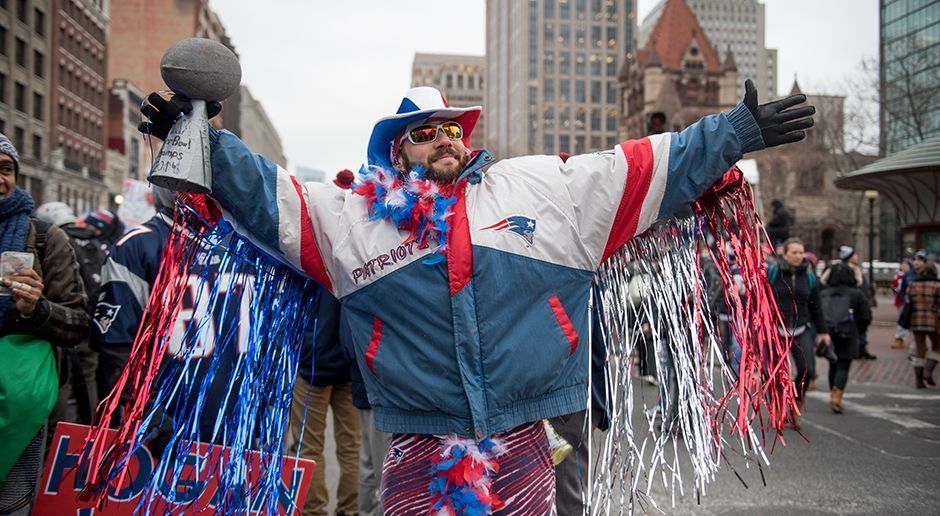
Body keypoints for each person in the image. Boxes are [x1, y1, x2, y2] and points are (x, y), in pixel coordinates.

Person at [139, 79, 814, 512]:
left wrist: (734, 131)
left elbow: (637, 169)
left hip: (525, 431)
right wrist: (200, 139)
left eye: (453, 130)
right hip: (416, 438)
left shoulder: (537, 189)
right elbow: (265, 193)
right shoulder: (351, 217)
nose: (444, 140)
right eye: (424, 133)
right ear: (396, 153)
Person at [0, 133, 89, 515]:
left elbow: (79, 324)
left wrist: (36, 309)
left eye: (6, 169)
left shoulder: (44, 239)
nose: (0, 178)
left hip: (20, 413)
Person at [35, 201, 108, 425]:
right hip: (96, 318)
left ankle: (57, 434)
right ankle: (87, 428)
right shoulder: (93, 240)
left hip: (69, 318)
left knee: (62, 377)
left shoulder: (58, 241)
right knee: (88, 374)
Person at [290, 289, 360, 516]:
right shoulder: (353, 253)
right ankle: (350, 509)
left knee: (307, 447)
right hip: (347, 362)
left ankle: (314, 511)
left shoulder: (306, 255)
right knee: (351, 446)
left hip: (312, 364)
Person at [768, 237, 829, 427]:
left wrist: (823, 332)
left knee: (807, 370)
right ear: (784, 254)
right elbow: (762, 300)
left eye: (801, 252)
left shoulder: (809, 277)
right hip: (776, 329)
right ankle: (778, 409)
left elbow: (816, 306)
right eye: (793, 252)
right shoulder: (773, 273)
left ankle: (795, 405)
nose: (798, 256)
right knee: (775, 373)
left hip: (801, 327)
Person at [820, 263, 871, 413]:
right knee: (843, 365)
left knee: (833, 364)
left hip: (828, 332)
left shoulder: (824, 293)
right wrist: (859, 329)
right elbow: (866, 316)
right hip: (849, 332)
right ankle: (837, 395)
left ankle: (833, 393)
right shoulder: (856, 294)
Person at [906, 258, 940, 389]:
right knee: (937, 346)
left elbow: (908, 301)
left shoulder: (914, 285)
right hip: (934, 321)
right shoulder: (937, 286)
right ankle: (928, 370)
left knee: (920, 349)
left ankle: (918, 380)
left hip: (916, 320)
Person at [892, 260, 913, 349]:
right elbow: (895, 287)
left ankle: (913, 341)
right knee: (901, 320)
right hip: (901, 301)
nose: (903, 267)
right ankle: (900, 338)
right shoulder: (899, 276)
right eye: (902, 265)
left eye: (905, 265)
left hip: (909, 301)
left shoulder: (911, 276)